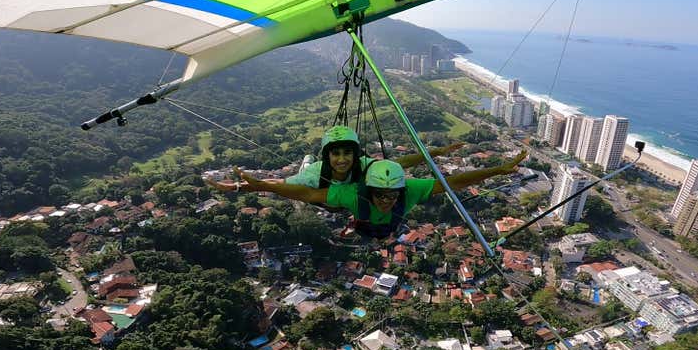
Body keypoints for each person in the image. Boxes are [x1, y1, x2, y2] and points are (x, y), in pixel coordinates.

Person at [207, 150, 528, 239]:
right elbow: (300, 192)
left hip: (387, 227)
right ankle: (354, 225)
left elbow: (452, 182)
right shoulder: (351, 192)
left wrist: (497, 170)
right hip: (361, 220)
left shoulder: (406, 188)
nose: (388, 199)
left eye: (392, 194)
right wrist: (250, 186)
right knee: (310, 189)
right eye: (382, 194)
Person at [284, 125, 463, 188]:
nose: (342, 159)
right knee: (307, 167)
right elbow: (281, 184)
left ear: (356, 154)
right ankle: (307, 160)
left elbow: (401, 163)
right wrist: (257, 185)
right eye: (335, 154)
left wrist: (436, 153)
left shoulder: (363, 165)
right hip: (317, 186)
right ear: (327, 156)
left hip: (341, 196)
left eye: (347, 153)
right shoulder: (313, 174)